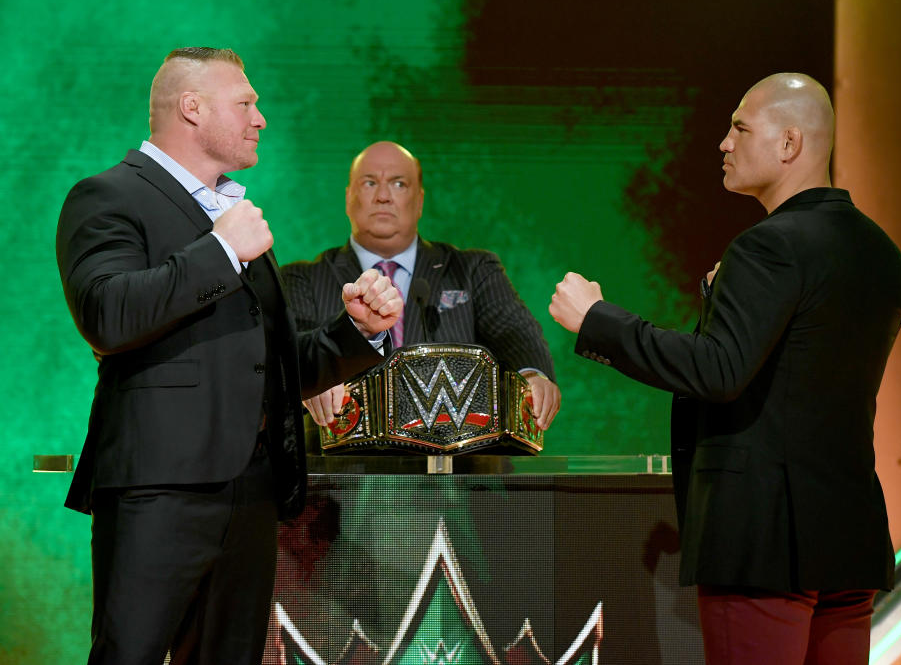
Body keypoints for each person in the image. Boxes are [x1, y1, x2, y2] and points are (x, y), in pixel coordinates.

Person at [55, 47, 402, 664]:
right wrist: (219, 252)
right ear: (192, 108)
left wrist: (357, 332)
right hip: (157, 490)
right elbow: (106, 315)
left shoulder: (229, 213)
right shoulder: (108, 196)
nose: (260, 118)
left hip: (249, 490)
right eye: (246, 103)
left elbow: (270, 366)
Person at [549, 73, 901, 664]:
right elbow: (805, 368)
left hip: (763, 543)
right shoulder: (880, 252)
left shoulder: (767, 246)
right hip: (848, 536)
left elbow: (719, 371)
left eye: (740, 127)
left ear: (789, 144)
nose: (723, 142)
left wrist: (598, 319)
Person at [282, 140, 561, 431]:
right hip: (347, 467)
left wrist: (533, 375)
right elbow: (292, 352)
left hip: (458, 466)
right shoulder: (303, 278)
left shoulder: (473, 269)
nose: (383, 196)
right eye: (369, 183)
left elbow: (513, 330)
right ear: (348, 197)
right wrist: (316, 377)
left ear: (420, 201)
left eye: (399, 184)